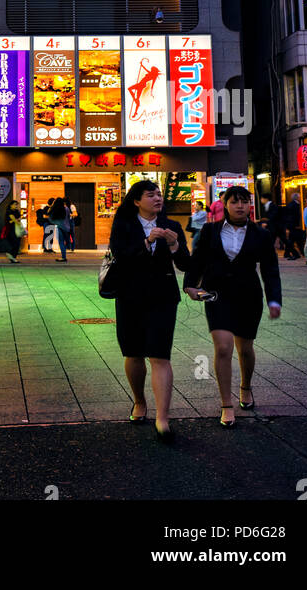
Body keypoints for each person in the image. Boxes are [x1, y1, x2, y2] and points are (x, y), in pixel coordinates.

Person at [184, 185, 282, 427]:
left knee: (245, 349)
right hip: (216, 295)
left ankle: (245, 387)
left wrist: (274, 299)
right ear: (224, 204)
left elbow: (270, 270)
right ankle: (226, 404)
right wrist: (189, 285)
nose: (240, 206)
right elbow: (197, 260)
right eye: (234, 201)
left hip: (248, 296)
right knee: (224, 347)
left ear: (250, 205)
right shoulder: (210, 230)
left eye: (244, 201)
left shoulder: (261, 234)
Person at [109, 179, 190, 443]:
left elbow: (186, 264)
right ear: (136, 200)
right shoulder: (123, 225)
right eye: (150, 195)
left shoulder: (173, 226)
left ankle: (163, 418)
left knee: (160, 355)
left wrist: (175, 245)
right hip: (129, 296)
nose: (157, 199)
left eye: (159, 195)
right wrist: (146, 241)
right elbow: (120, 257)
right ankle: (139, 401)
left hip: (163, 297)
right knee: (133, 354)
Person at [48, 197, 71, 261]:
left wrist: (52, 205)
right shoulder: (66, 209)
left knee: (61, 242)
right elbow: (69, 217)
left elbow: (49, 215)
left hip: (60, 226)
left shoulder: (57, 209)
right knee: (66, 240)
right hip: (67, 227)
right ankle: (68, 249)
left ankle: (63, 256)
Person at [283, 192, 303, 259]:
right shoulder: (294, 205)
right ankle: (299, 252)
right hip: (293, 225)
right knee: (294, 239)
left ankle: (287, 253)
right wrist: (296, 225)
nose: (300, 198)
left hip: (292, 225)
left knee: (292, 239)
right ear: (297, 198)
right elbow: (293, 216)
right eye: (299, 197)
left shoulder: (292, 204)